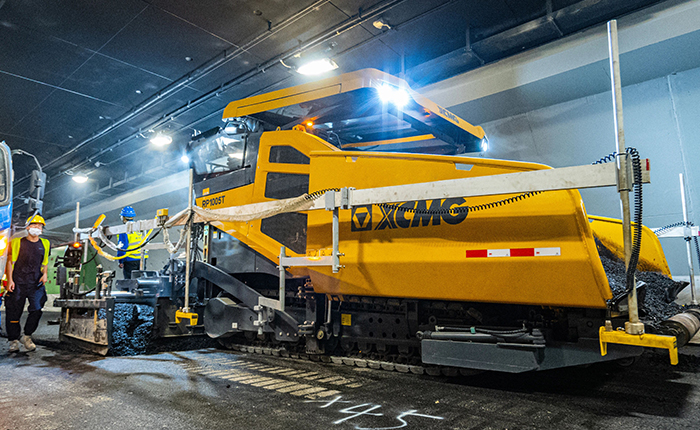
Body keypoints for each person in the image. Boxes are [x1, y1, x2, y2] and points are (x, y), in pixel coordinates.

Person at [5, 214, 50, 352]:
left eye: (40, 225)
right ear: (28, 227)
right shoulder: (17, 242)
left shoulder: (45, 243)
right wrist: (10, 280)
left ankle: (27, 336)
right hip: (18, 282)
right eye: (34, 225)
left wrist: (45, 274)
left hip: (35, 283)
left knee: (37, 309)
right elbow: (10, 262)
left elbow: (45, 262)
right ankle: (13, 340)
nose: (37, 227)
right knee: (14, 311)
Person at [116, 206, 147, 279]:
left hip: (130, 260)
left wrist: (120, 261)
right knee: (141, 281)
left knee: (129, 282)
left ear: (123, 218)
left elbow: (122, 247)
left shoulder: (124, 229)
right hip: (142, 259)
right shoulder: (140, 228)